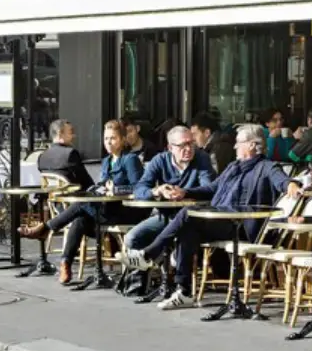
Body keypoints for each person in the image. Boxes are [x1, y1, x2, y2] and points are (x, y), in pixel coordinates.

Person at [134, 123, 301, 312]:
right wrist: (185, 192)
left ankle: (149, 254)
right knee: (187, 230)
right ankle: (184, 291)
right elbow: (212, 188)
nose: (235, 146)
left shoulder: (267, 167)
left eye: (238, 142)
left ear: (252, 145)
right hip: (221, 220)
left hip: (241, 227)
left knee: (188, 213)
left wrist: (291, 185)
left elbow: (282, 180)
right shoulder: (233, 166)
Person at [21, 120, 143, 285]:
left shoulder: (130, 159)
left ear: (122, 139)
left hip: (125, 211)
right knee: (80, 220)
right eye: (106, 138)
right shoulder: (107, 161)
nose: (108, 142)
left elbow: (139, 188)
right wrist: (98, 188)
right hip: (107, 209)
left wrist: (116, 190)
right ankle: (65, 264)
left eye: (113, 138)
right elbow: (101, 184)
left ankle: (46, 228)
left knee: (81, 204)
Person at [123, 125, 216, 300]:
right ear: (170, 147)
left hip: (192, 218)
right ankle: (140, 284)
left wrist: (185, 192)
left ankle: (171, 278)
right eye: (182, 145)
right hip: (165, 215)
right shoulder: (160, 160)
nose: (188, 149)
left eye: (191, 143)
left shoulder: (201, 158)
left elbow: (209, 189)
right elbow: (139, 189)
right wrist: (156, 191)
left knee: (182, 239)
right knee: (132, 238)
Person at [36, 119, 94, 190]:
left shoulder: (42, 157)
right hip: (73, 195)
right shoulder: (70, 154)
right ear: (60, 133)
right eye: (71, 132)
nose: (74, 136)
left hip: (51, 195)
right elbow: (86, 181)